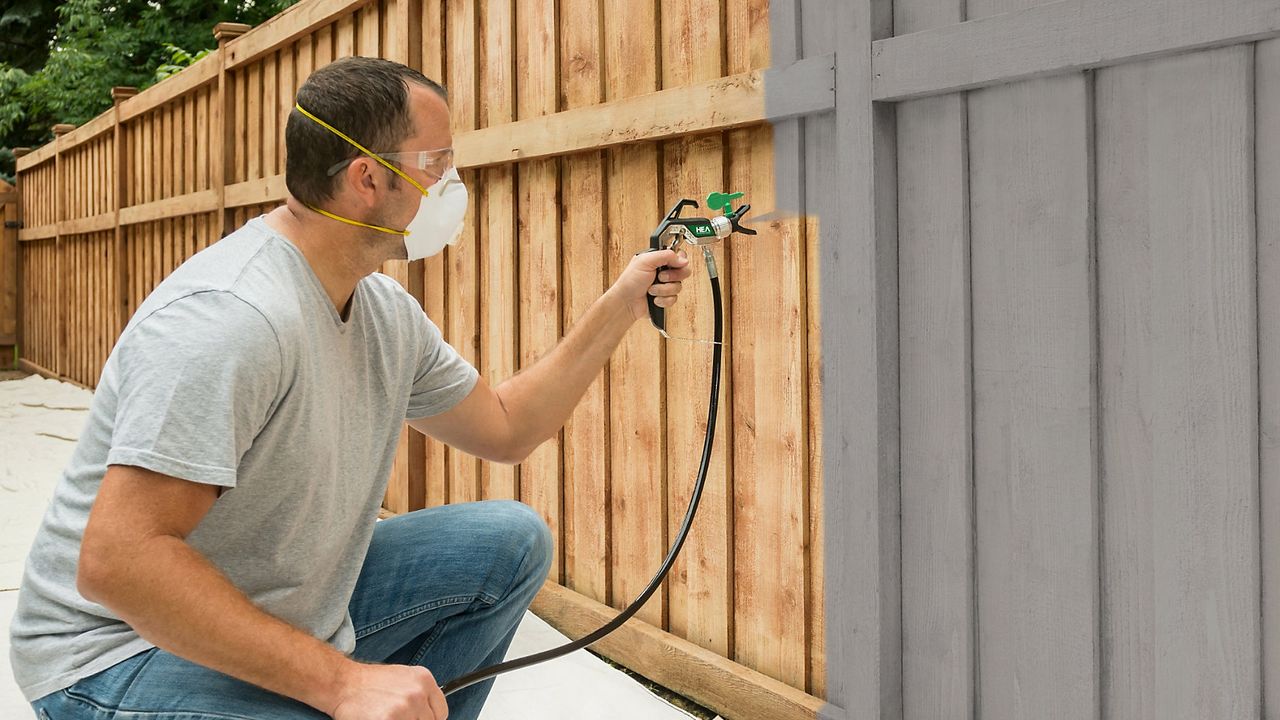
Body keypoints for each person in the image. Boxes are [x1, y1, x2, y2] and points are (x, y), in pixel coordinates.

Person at [9, 56, 692, 720]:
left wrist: (624, 303)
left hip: (276, 606)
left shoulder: (383, 315)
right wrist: (340, 685)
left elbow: (507, 427)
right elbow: (120, 561)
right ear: (368, 178)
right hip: (115, 654)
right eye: (437, 165)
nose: (453, 184)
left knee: (507, 542)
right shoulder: (231, 316)